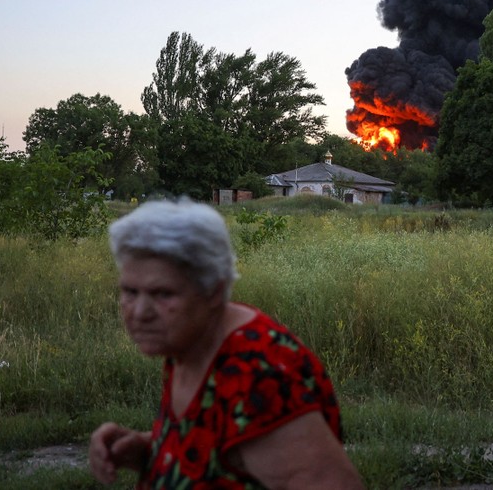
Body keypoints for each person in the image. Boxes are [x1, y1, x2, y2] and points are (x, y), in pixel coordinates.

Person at [89, 198, 364, 489]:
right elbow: (221, 451)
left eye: (162, 294)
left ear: (213, 290)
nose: (140, 312)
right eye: (130, 291)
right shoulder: (189, 342)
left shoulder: (255, 373)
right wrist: (149, 450)